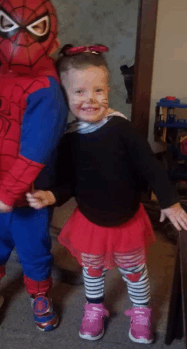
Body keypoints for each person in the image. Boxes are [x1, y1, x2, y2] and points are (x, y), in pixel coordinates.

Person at [26, 44, 187, 344]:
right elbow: (68, 183)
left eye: (98, 90)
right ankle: (94, 307)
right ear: (64, 96)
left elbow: (149, 165)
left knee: (134, 270)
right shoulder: (70, 139)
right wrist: (51, 196)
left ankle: (141, 312)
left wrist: (169, 200)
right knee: (92, 268)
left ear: (109, 90)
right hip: (90, 221)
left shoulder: (120, 128)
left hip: (127, 220)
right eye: (79, 92)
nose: (90, 99)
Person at [0, 0, 68, 332]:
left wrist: (9, 192)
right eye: (10, 27)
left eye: (33, 28)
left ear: (50, 37)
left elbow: (36, 149)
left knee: (34, 247)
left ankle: (39, 293)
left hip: (28, 192)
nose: (19, 38)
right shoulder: (1, 74)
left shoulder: (47, 88)